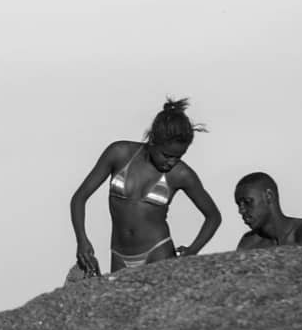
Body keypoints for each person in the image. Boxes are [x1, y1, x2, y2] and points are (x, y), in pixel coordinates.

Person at [69, 98, 222, 276]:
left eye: (178, 156)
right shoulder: (119, 153)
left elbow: (213, 216)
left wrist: (192, 251)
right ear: (153, 140)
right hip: (118, 255)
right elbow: (79, 198)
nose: (171, 162)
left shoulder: (181, 175)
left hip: (158, 252)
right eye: (166, 155)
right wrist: (82, 240)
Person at [234, 172, 302, 249]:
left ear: (268, 196)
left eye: (247, 202)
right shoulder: (248, 242)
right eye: (238, 204)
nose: (241, 211)